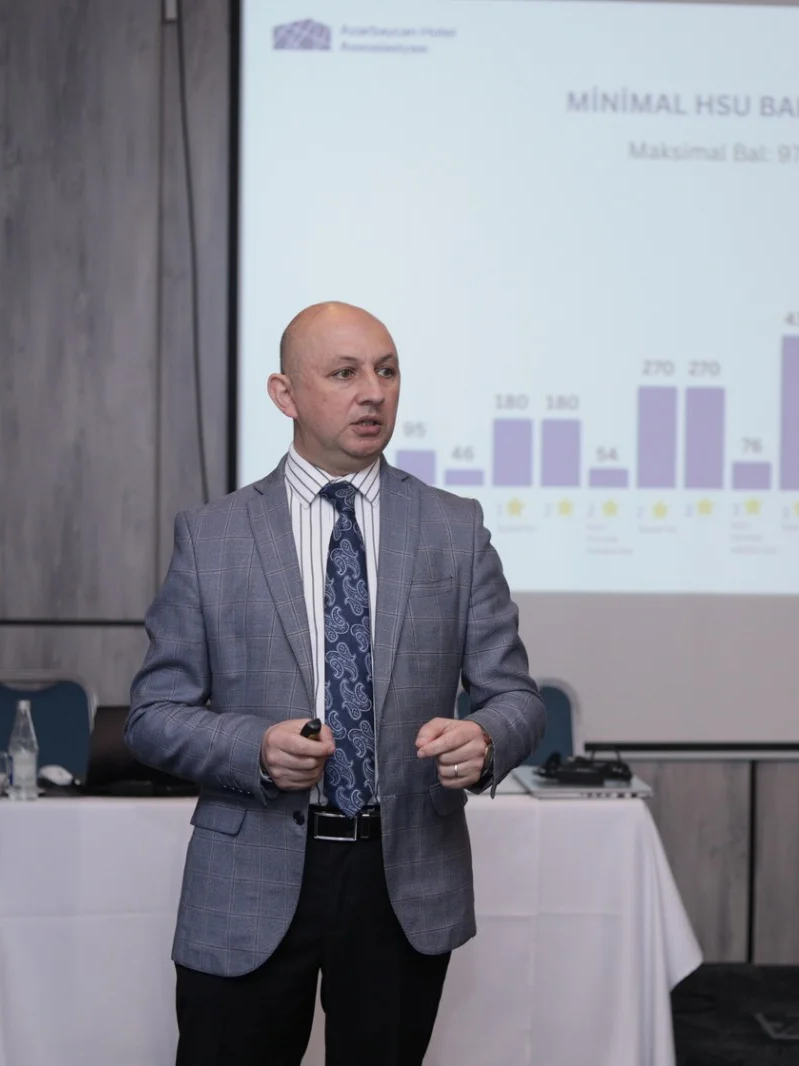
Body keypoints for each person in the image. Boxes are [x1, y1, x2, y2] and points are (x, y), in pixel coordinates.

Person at [125, 300, 546, 1066]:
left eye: (387, 371)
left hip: (402, 874)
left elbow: (518, 698)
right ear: (284, 394)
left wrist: (486, 739)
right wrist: (254, 748)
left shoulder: (454, 528)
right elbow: (153, 715)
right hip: (249, 871)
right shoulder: (212, 536)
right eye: (345, 373)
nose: (373, 392)